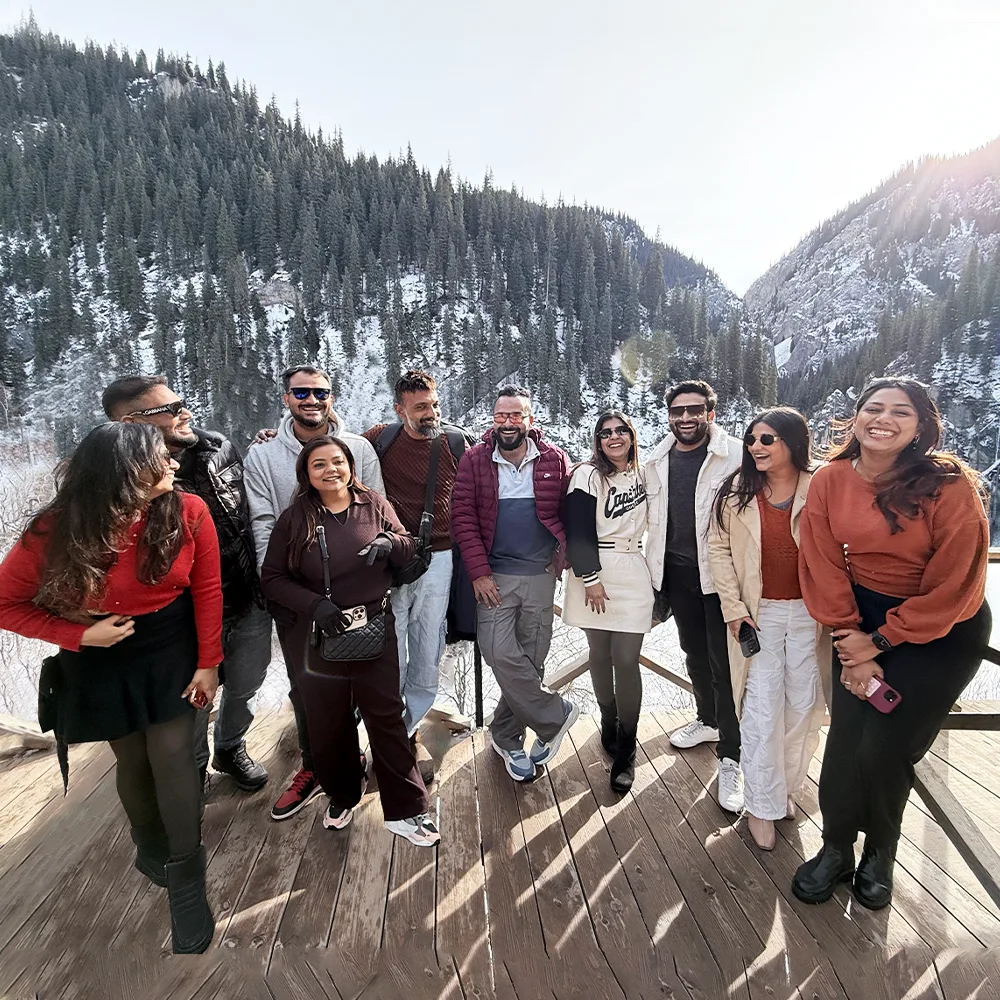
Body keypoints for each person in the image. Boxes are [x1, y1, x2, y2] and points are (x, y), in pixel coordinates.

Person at [0, 423, 221, 954]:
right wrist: (78, 635)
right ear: (124, 471)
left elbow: (209, 589)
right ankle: (148, 844)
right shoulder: (56, 529)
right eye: (160, 457)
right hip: (99, 655)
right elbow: (7, 604)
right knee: (132, 759)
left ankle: (186, 880)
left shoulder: (188, 510)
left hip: (171, 646)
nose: (174, 464)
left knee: (173, 755)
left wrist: (209, 663)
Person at [792, 377, 991, 910]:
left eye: (900, 411)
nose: (883, 419)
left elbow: (956, 582)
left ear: (921, 425)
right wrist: (849, 635)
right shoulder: (831, 479)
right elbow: (822, 562)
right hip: (858, 618)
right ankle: (836, 847)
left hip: (942, 628)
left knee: (884, 745)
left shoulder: (948, 486)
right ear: (855, 417)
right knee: (846, 740)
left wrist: (878, 642)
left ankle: (881, 851)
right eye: (873, 408)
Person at [259, 436, 439, 846]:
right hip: (318, 637)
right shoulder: (295, 518)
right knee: (329, 721)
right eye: (319, 464)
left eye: (338, 461)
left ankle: (408, 808)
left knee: (386, 717)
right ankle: (342, 793)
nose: (331, 470)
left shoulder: (372, 503)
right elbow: (272, 579)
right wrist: (314, 605)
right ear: (306, 474)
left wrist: (390, 542)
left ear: (350, 466)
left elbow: (408, 546)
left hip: (374, 629)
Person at [102, 376, 269, 796]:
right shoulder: (115, 478)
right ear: (130, 423)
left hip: (245, 596)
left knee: (246, 685)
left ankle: (230, 748)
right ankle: (192, 769)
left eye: (183, 402)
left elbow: (249, 514)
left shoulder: (218, 447)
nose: (186, 413)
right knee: (191, 701)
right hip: (181, 618)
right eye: (172, 409)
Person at [244, 365, 384, 822]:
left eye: (319, 392)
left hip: (357, 597)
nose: (311, 400)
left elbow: (376, 514)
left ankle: (349, 761)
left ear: (331, 396)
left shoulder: (358, 449)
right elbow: (262, 522)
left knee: (361, 681)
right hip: (298, 597)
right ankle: (316, 766)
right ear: (286, 398)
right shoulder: (264, 456)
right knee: (308, 688)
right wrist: (278, 588)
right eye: (300, 392)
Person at [708, 408, 826, 850]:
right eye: (752, 439)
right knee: (760, 709)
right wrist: (733, 609)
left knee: (803, 707)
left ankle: (784, 790)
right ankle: (760, 804)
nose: (756, 446)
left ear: (793, 442)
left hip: (812, 614)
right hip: (759, 615)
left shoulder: (821, 486)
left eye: (767, 439)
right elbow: (718, 549)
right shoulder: (736, 491)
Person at [451, 385, 578, 782]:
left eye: (515, 415)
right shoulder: (475, 459)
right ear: (493, 420)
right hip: (495, 577)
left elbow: (571, 510)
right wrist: (479, 573)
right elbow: (462, 518)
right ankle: (555, 715)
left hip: (541, 575)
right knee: (497, 649)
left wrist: (565, 554)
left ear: (529, 419)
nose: (507, 422)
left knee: (530, 659)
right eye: (501, 416)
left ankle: (506, 738)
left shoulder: (554, 458)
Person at [363, 370, 474, 785]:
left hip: (440, 557)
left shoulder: (455, 442)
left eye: (435, 404)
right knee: (391, 648)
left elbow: (492, 461)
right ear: (400, 409)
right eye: (421, 407)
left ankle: (403, 733)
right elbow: (334, 452)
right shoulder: (380, 440)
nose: (432, 413)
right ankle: (396, 736)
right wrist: (276, 435)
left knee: (428, 645)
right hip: (394, 557)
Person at [645, 380, 744, 811]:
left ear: (711, 413)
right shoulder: (657, 459)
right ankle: (708, 720)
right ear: (669, 416)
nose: (685, 417)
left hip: (722, 578)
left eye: (694, 409)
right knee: (695, 654)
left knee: (728, 665)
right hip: (678, 573)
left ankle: (733, 755)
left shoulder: (734, 455)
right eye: (677, 411)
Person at [563, 409, 653, 793]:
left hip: (633, 566)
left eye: (620, 430)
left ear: (631, 436)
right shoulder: (587, 474)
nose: (614, 437)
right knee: (599, 654)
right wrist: (590, 578)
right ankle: (609, 720)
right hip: (594, 571)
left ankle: (627, 746)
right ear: (597, 441)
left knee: (627, 659)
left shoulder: (645, 474)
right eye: (605, 433)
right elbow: (577, 528)